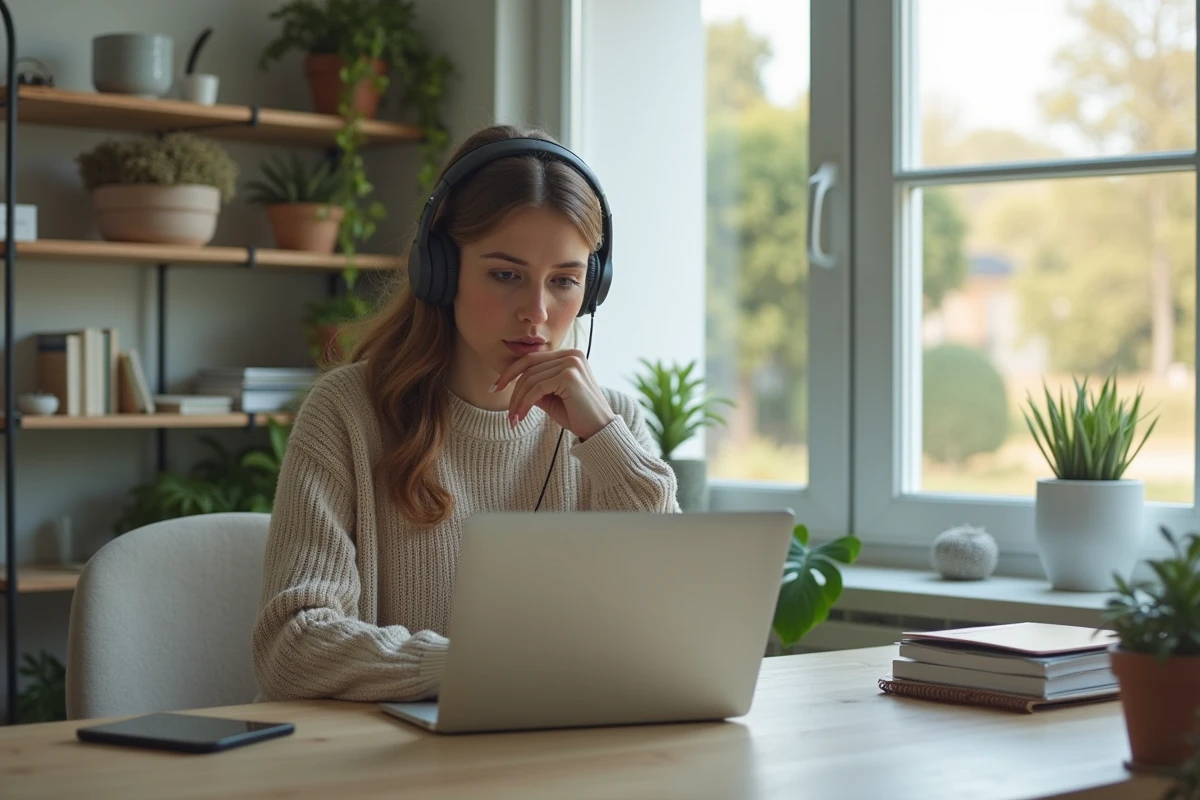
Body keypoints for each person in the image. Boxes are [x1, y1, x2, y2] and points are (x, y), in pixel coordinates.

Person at [251, 124, 681, 703]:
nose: (536, 311)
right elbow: (291, 644)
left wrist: (605, 440)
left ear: (593, 287)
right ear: (441, 272)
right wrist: (473, 668)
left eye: (565, 282)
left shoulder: (612, 423)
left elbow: (675, 625)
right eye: (505, 275)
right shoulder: (348, 413)